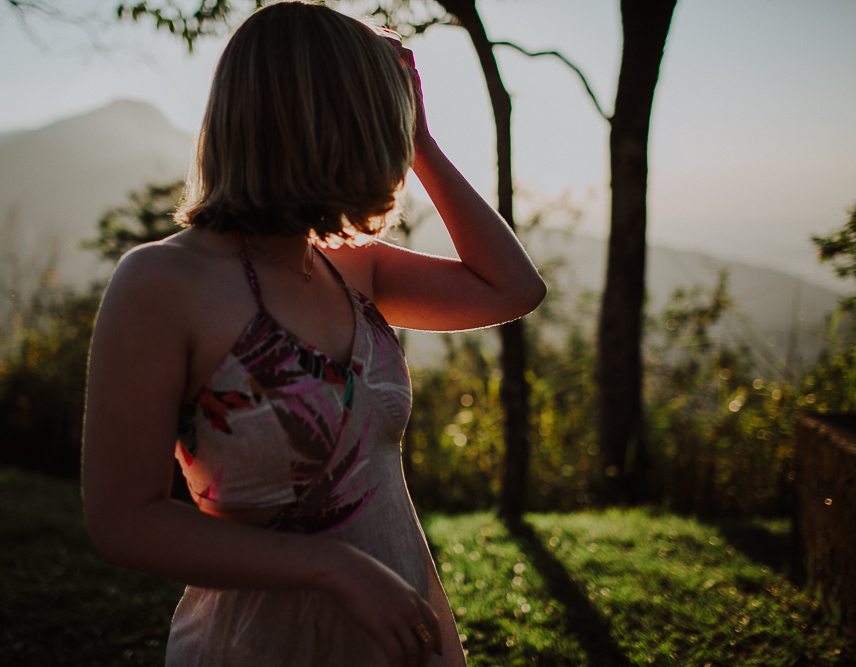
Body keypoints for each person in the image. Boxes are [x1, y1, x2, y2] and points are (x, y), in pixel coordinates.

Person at [81, 2, 546, 666]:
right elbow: (125, 521)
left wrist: (425, 147)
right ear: (330, 124)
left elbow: (513, 288)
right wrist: (335, 566)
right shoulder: (161, 283)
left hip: (401, 642)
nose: (389, 143)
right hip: (256, 648)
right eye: (382, 121)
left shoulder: (348, 265)